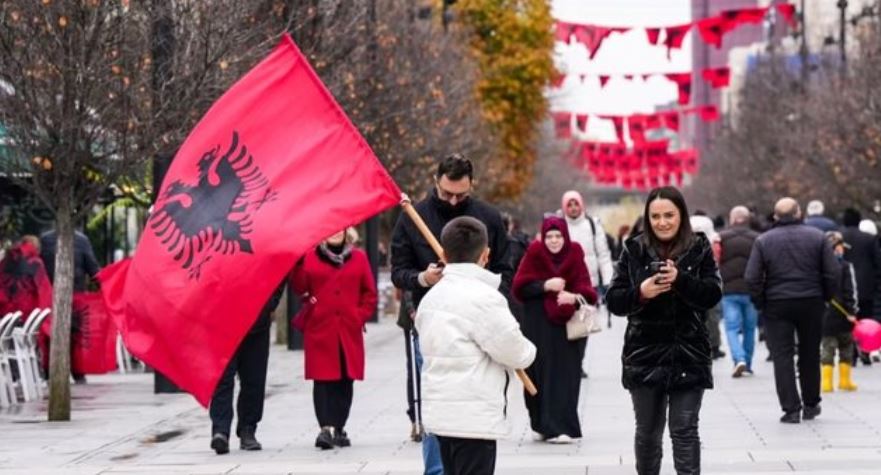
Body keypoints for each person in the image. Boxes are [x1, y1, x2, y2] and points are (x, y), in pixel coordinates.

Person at [391, 153, 511, 475]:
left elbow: (506, 268)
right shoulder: (414, 216)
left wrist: (489, 299)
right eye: (447, 194)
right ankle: (436, 470)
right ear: (436, 183)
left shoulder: (488, 216)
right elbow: (398, 271)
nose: (454, 200)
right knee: (436, 400)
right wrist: (422, 279)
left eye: (461, 194)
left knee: (475, 397)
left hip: (478, 323)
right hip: (430, 322)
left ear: (472, 185)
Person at [606, 186, 722, 475]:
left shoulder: (699, 247)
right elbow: (615, 301)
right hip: (644, 354)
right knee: (647, 434)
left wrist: (681, 280)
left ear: (681, 215)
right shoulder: (634, 248)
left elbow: (712, 294)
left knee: (684, 431)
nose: (662, 222)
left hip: (689, 352)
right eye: (655, 216)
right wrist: (641, 292)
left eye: (669, 215)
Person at [416, 216, 536, 475]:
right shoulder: (485, 298)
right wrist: (530, 351)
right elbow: (513, 350)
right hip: (473, 417)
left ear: (444, 255)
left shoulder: (430, 299)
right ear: (486, 254)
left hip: (441, 413)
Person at [745, 198, 838, 423]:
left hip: (777, 303)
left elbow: (752, 277)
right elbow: (832, 272)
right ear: (799, 213)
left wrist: (760, 301)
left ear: (776, 216)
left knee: (782, 356)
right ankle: (811, 402)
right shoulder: (818, 237)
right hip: (811, 299)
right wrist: (826, 296)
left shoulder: (764, 241)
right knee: (809, 353)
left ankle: (791, 408)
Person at [512, 216, 597, 443]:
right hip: (538, 324)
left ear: (565, 236)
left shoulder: (575, 252)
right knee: (539, 372)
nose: (554, 241)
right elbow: (520, 288)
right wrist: (544, 286)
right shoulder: (534, 253)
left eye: (558, 235)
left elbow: (587, 289)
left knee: (566, 375)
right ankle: (541, 424)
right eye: (549, 236)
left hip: (567, 326)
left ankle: (562, 427)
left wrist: (572, 296)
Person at [291, 229, 378, 450]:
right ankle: (325, 428)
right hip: (320, 329)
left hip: (349, 329)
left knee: (345, 380)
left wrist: (359, 316)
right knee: (322, 380)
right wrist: (298, 262)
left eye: (341, 227)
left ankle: (340, 426)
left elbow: (369, 293)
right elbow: (299, 287)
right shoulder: (309, 256)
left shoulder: (359, 257)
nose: (336, 231)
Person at [209, 281, 285, 455]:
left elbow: (280, 270)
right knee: (223, 379)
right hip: (223, 320)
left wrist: (271, 303)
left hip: (257, 321)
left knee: (254, 380)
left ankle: (248, 429)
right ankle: (220, 431)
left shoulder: (265, 252)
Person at [719, 206, 760, 377]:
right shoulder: (757, 239)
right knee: (750, 328)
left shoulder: (721, 238)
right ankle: (748, 363)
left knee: (732, 328)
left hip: (729, 290)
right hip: (751, 290)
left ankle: (739, 358)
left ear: (732, 218)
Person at [820, 231, 859, 393]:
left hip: (826, 314)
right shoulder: (846, 266)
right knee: (846, 346)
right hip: (844, 315)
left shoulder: (819, 267)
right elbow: (851, 291)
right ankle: (845, 380)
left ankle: (826, 383)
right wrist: (852, 310)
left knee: (827, 347)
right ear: (836, 248)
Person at [690, 214, 725, 360]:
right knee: (712, 316)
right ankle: (714, 346)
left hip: (692, 285)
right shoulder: (714, 242)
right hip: (711, 284)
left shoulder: (687, 243)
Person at [0, 236, 53, 320]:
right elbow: (45, 291)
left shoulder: (7, 259)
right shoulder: (35, 262)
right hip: (26, 314)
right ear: (37, 248)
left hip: (4, 312)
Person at [39, 228, 100, 292]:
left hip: (50, 292)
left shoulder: (45, 239)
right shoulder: (82, 240)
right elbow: (93, 270)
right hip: (75, 292)